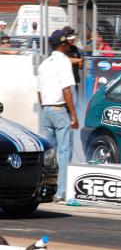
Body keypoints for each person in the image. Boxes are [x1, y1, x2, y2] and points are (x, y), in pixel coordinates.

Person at [37, 29, 79, 202]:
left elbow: (39, 93)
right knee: (63, 152)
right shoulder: (64, 62)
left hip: (46, 109)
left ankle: (46, 190)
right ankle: (60, 192)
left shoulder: (43, 64)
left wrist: (45, 109)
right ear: (62, 45)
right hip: (60, 110)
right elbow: (66, 90)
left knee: (49, 155)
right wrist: (74, 116)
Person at [62, 26, 83, 90]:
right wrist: (78, 60)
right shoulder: (62, 50)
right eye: (70, 37)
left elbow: (80, 65)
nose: (73, 39)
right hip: (65, 83)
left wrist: (81, 64)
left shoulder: (75, 49)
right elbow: (65, 60)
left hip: (74, 81)